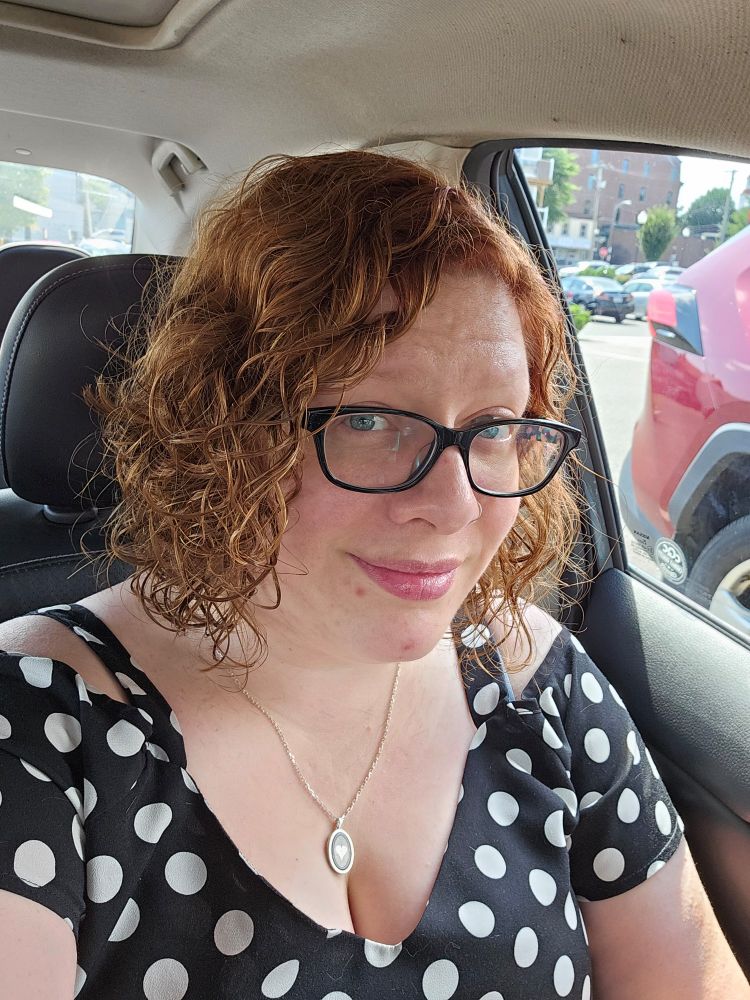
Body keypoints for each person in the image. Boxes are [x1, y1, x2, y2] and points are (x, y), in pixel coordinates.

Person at [0, 151, 746, 1000]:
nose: (455, 505)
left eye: (496, 427)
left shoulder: (537, 681)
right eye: (368, 419)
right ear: (227, 428)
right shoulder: (39, 724)